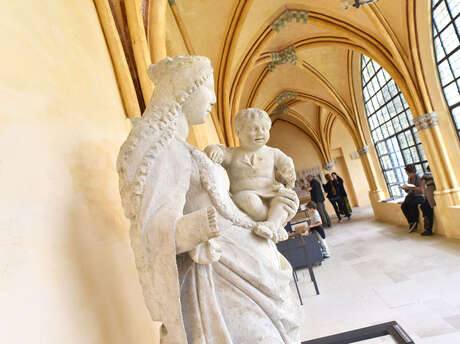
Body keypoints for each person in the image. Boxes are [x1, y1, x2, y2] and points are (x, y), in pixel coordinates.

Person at [117, 56, 300, 343]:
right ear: (186, 90)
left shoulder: (186, 149)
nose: (214, 99)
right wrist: (200, 225)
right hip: (217, 270)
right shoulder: (165, 150)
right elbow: (151, 232)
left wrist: (266, 214)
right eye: (208, 88)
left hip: (245, 261)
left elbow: (224, 201)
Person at [205, 108, 296, 242]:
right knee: (248, 200)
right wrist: (213, 150)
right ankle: (273, 222)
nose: (261, 133)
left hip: (271, 193)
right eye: (254, 129)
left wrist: (288, 169)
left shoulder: (273, 153)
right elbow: (218, 150)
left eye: (264, 128)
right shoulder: (233, 154)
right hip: (245, 195)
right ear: (238, 132)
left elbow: (287, 164)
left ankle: (272, 224)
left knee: (286, 200)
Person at [400, 164, 424, 233]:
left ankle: (415, 221)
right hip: (412, 195)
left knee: (412, 204)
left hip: (420, 196)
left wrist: (409, 188)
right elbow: (409, 189)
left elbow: (421, 189)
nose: (407, 175)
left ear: (412, 172)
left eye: (408, 173)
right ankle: (411, 222)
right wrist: (405, 188)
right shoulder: (409, 178)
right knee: (403, 206)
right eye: (407, 173)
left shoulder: (419, 177)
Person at [420, 165, 436, 236]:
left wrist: (424, 194)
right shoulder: (435, 174)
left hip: (429, 193)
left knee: (426, 209)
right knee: (427, 209)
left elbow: (422, 186)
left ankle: (428, 229)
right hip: (434, 193)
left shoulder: (426, 174)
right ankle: (428, 229)